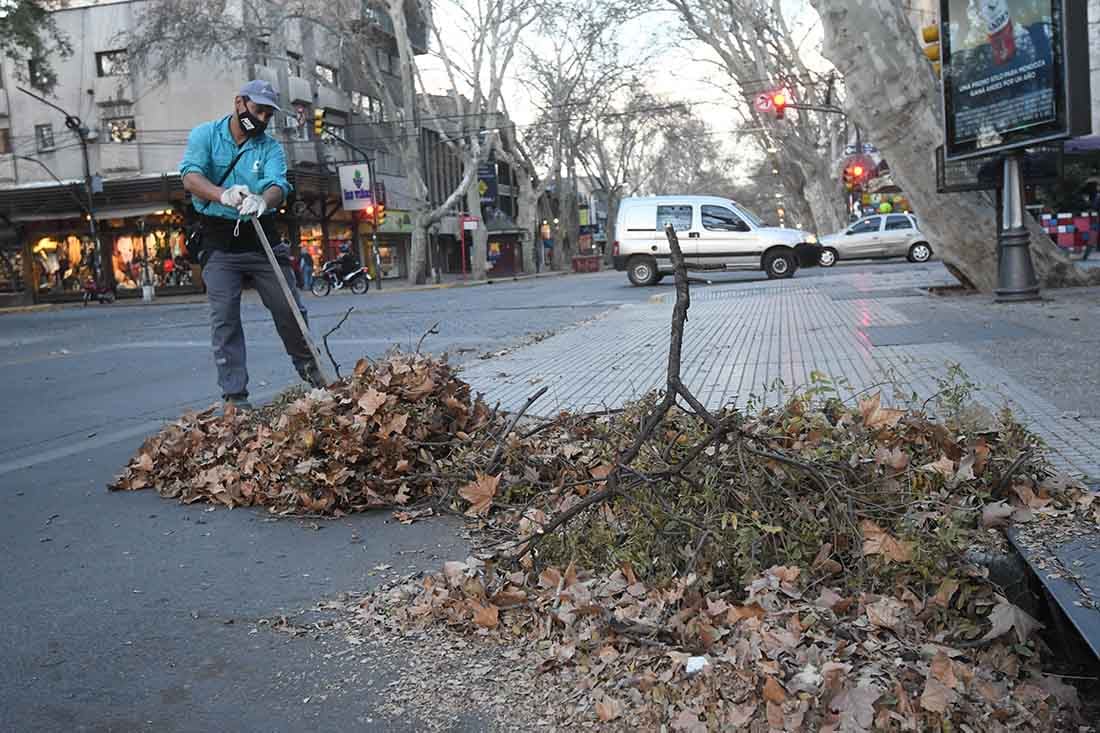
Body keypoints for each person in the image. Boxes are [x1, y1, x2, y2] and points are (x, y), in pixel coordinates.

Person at [180, 79, 323, 411]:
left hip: (261, 235)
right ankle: (236, 397)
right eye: (258, 110)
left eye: (268, 114)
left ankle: (313, 372)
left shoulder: (269, 146)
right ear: (239, 103)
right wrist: (222, 194)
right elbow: (189, 177)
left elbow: (279, 184)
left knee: (288, 308)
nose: (262, 119)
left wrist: (263, 199)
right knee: (225, 317)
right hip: (218, 239)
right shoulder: (205, 135)